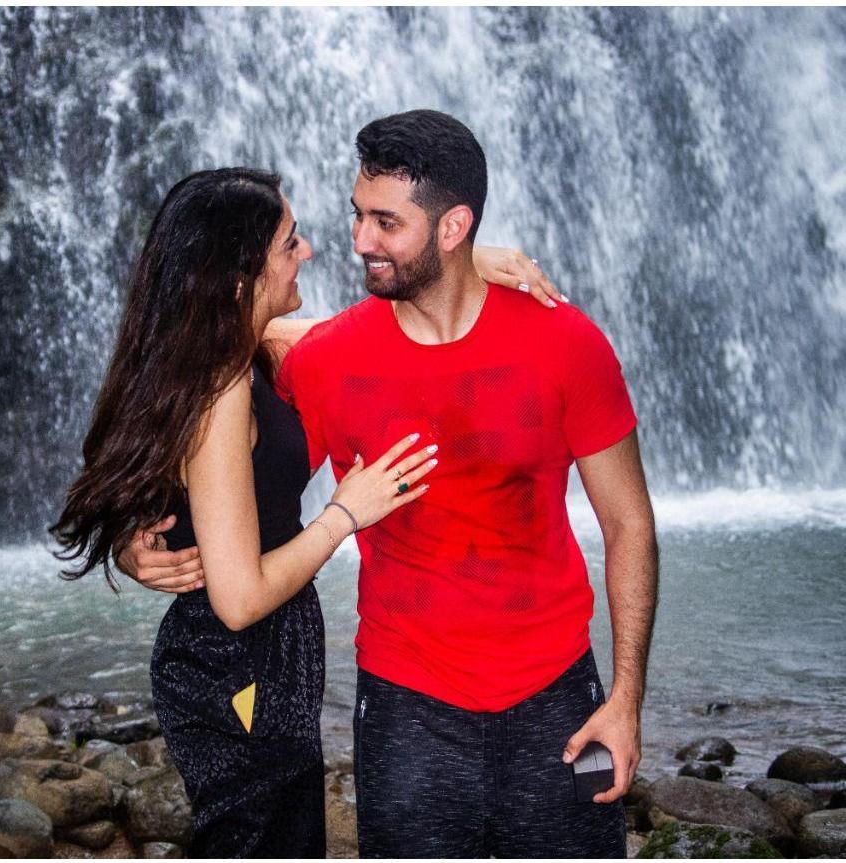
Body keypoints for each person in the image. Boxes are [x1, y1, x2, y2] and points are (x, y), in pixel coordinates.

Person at [123, 110, 658, 858]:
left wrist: (626, 699)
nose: (355, 241)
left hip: (556, 698)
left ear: (452, 227)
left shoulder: (567, 342)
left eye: (385, 222)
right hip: (405, 708)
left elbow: (629, 524)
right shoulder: (323, 359)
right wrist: (137, 540)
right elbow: (223, 455)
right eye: (355, 215)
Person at [50, 168, 443, 857]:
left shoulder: (230, 347)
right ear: (238, 281)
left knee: (274, 831)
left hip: (248, 658)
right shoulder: (222, 386)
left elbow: (370, 324)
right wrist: (346, 511)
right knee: (262, 838)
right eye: (290, 243)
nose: (310, 252)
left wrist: (461, 266)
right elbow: (237, 599)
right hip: (236, 657)